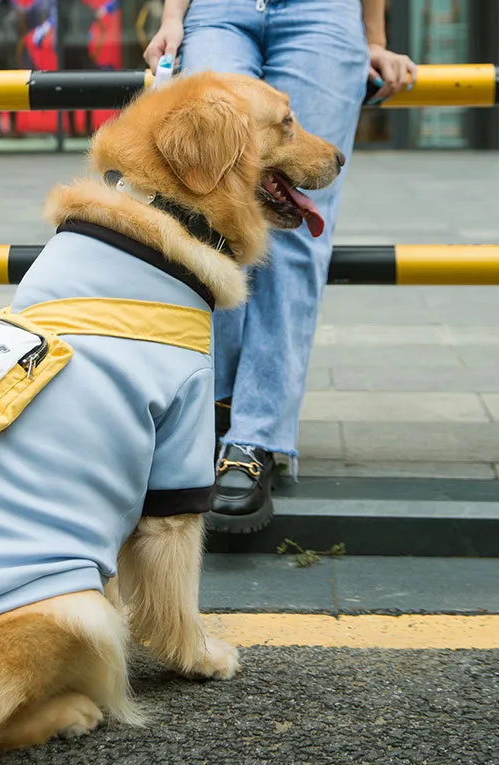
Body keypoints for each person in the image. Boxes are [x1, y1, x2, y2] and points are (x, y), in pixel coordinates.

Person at [143, 0, 416, 534]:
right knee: (208, 200)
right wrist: (172, 18)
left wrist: (374, 38)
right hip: (217, 10)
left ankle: (254, 437)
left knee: (293, 225)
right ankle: (209, 413)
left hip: (324, 13)